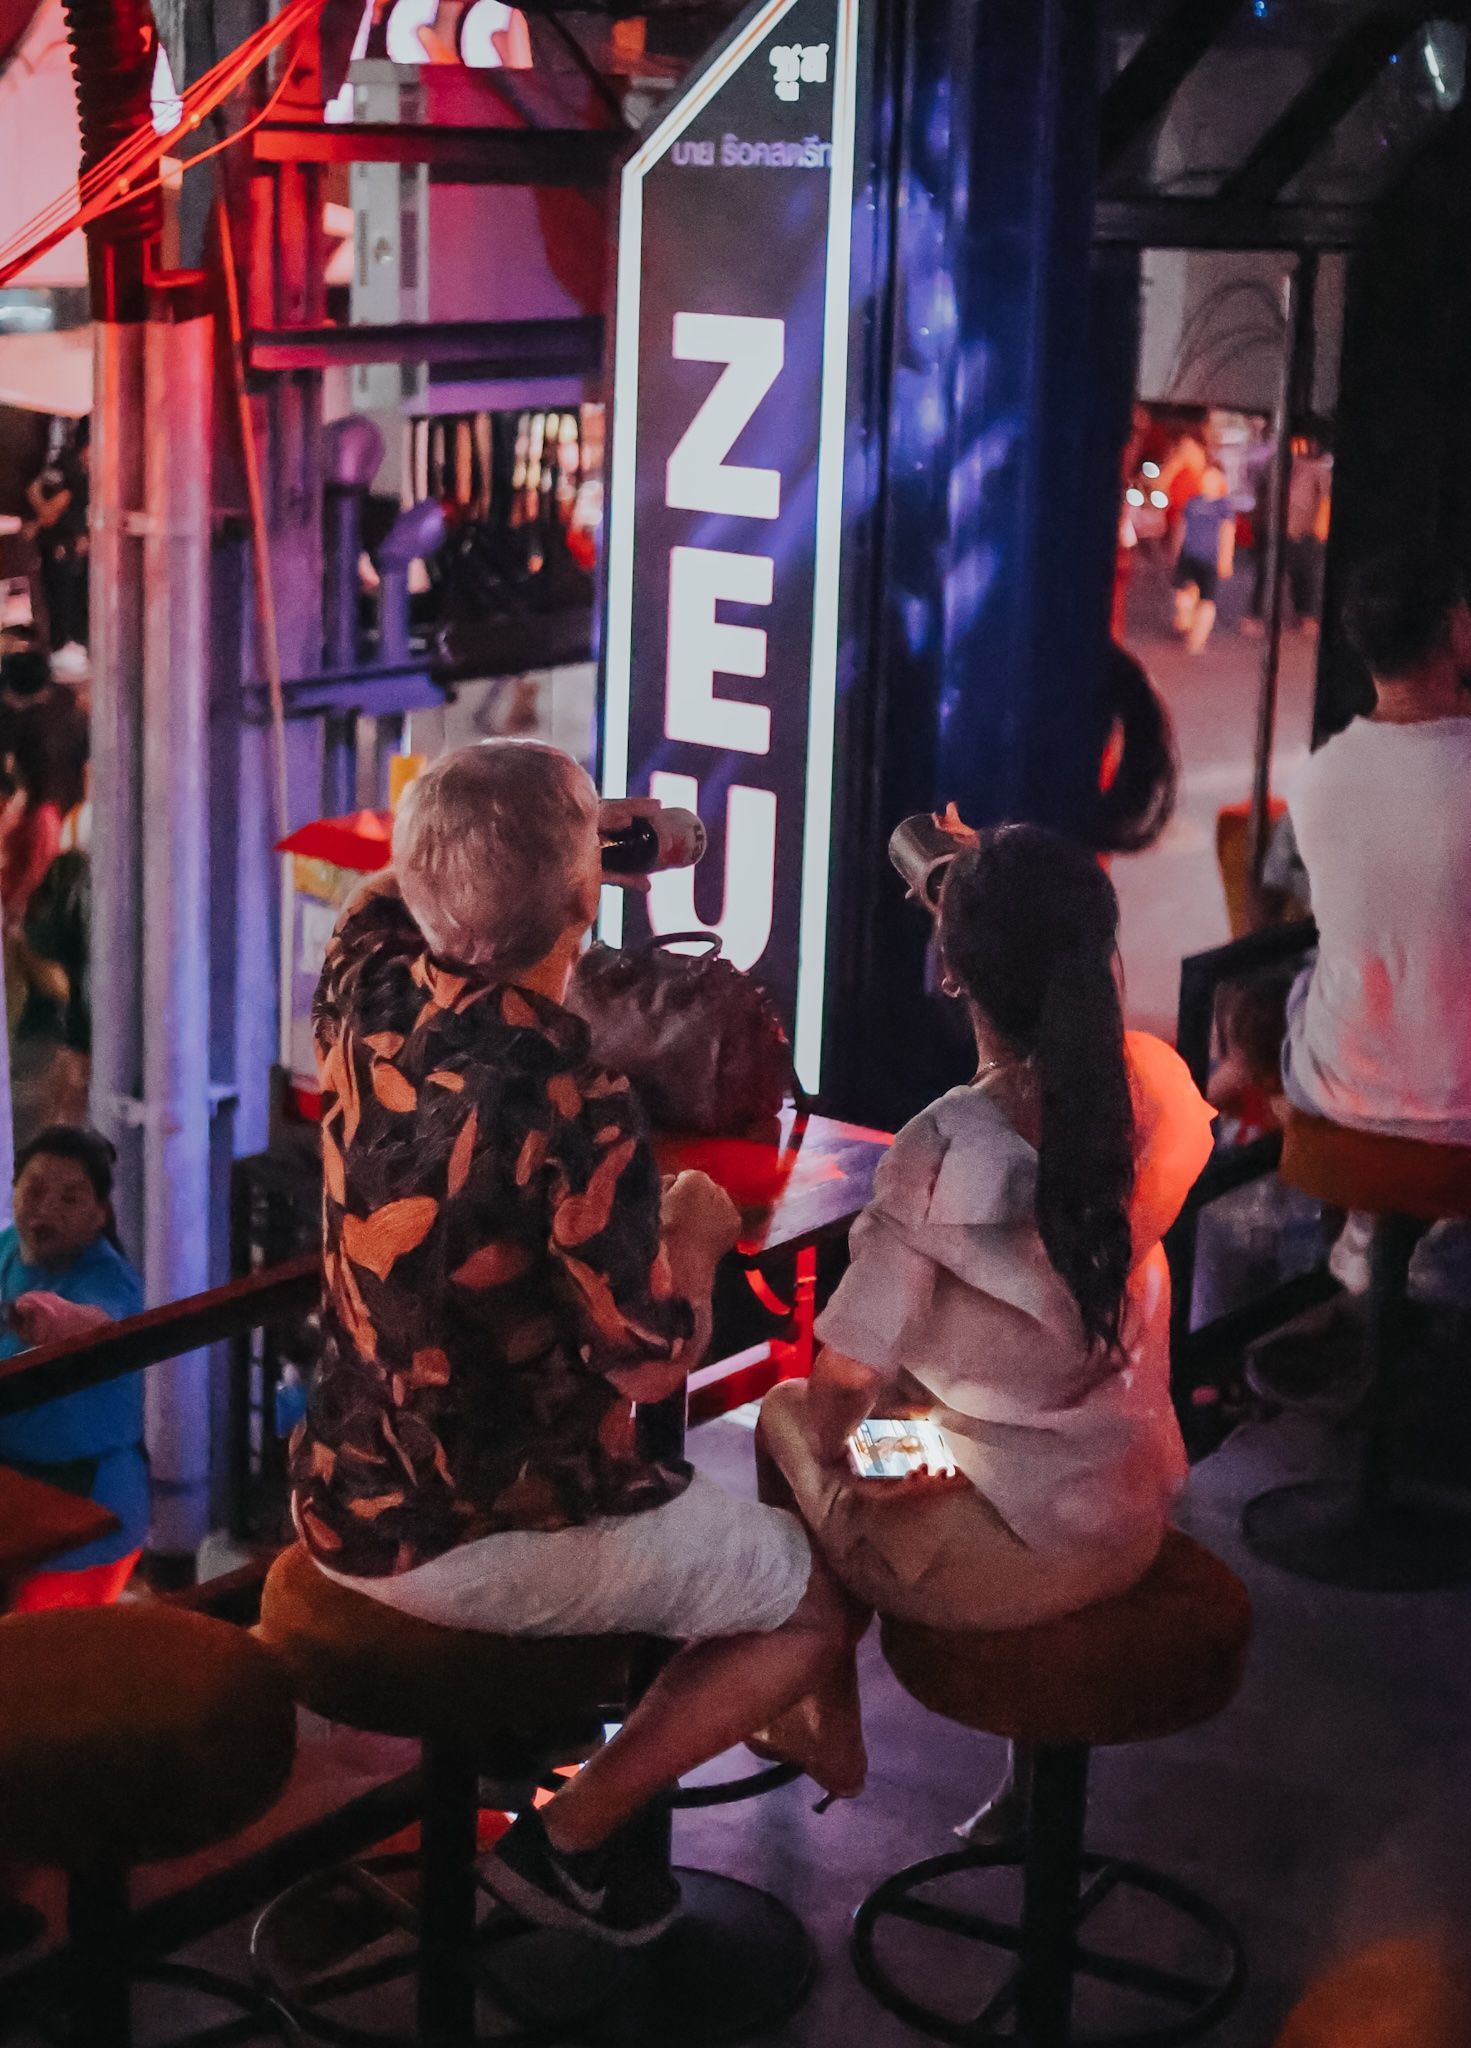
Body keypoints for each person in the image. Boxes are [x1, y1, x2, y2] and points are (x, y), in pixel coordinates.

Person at [288, 740, 858, 1947]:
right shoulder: (568, 1088)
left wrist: (575, 835)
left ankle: (556, 1799)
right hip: (481, 1538)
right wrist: (698, 1224)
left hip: (342, 1495)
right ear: (584, 902)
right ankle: (573, 1842)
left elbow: (378, 896)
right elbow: (653, 1359)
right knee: (813, 1597)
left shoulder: (367, 991)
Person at [754, 824, 1216, 1836]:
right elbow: (1043, 930)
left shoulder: (936, 1150)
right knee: (956, 1411)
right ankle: (1025, 1789)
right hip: (1130, 1509)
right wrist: (971, 877)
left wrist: (863, 1456)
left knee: (790, 1413)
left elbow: (840, 1386)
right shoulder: (1154, 1092)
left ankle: (817, 1710)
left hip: (1005, 1563)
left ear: (954, 974)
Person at [1279, 554, 1471, 1301]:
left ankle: (1367, 1229)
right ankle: (1446, 1242)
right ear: (1456, 630)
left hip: (1338, 1091)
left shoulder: (1319, 777)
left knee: (1316, 983)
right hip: (1459, 1111)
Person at [0, 1127, 147, 1611]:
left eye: (70, 1197)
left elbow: (99, 1323)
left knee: (38, 1662)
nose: (46, 1209)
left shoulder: (109, 1278)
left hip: (85, 1506)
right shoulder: (5, 1250)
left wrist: (50, 1318)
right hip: (14, 1486)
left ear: (99, 1214)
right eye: (35, 1190)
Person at [25, 421, 89, 657]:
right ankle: (62, 641)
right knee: (63, 597)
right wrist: (43, 517)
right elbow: (49, 506)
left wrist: (39, 519)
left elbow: (34, 490)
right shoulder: (73, 470)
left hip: (58, 545)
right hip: (61, 547)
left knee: (58, 597)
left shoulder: (65, 466)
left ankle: (62, 640)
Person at [1172, 464, 1236, 654]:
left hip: (1210, 559)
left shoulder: (1224, 506)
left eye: (1212, 478)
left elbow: (1227, 532)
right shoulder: (1193, 502)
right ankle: (1186, 620)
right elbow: (1182, 526)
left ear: (1220, 482)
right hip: (1188, 554)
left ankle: (1197, 641)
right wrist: (1175, 549)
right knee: (1181, 594)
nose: (1207, 482)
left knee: (1206, 600)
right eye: (1205, 478)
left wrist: (1226, 559)